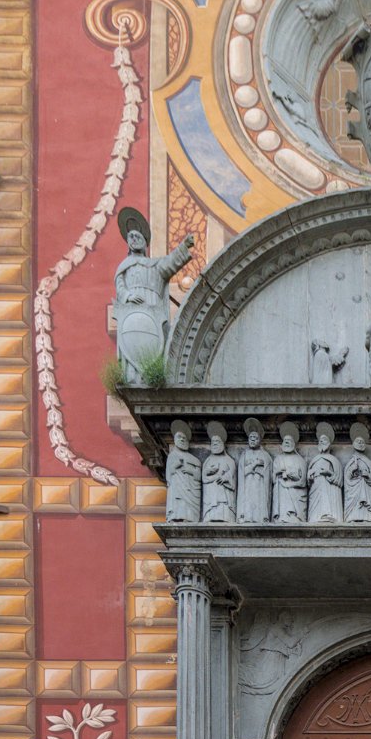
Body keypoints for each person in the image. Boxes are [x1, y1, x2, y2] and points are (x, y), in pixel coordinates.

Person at [112, 208, 193, 386]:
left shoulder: (155, 266)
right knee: (135, 344)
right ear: (128, 242)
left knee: (153, 344)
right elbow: (120, 287)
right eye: (131, 236)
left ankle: (152, 376)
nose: (134, 238)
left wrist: (184, 246)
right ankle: (133, 377)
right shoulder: (125, 266)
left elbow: (171, 262)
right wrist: (128, 295)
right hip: (133, 311)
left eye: (138, 236)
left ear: (145, 242)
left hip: (153, 311)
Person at [236, 418, 272, 524]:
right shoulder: (244, 455)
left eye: (255, 438)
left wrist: (260, 471)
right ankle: (246, 517)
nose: (252, 439)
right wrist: (254, 465)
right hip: (247, 486)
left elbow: (268, 475)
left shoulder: (265, 456)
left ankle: (260, 518)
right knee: (248, 502)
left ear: (260, 440)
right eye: (250, 437)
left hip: (260, 486)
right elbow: (241, 473)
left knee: (258, 501)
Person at [165, 420, 201, 523]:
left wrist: (190, 471)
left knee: (187, 506)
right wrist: (177, 465)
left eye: (184, 438)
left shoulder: (193, 459)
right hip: (177, 486)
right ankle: (175, 516)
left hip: (189, 488)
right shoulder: (172, 456)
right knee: (178, 500)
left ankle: (189, 517)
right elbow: (169, 474)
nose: (182, 440)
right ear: (175, 440)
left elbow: (198, 475)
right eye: (179, 437)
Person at [202, 421, 236, 523]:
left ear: (223, 444)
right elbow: (204, 477)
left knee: (223, 506)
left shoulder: (229, 460)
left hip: (224, 494)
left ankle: (226, 517)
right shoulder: (208, 460)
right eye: (213, 442)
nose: (215, 444)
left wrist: (225, 478)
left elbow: (232, 475)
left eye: (217, 441)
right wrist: (208, 471)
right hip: (211, 494)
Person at [272, 425, 307, 524]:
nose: (287, 442)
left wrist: (291, 478)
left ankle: (295, 516)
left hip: (296, 493)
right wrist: (279, 473)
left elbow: (303, 481)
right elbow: (273, 479)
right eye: (285, 440)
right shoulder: (278, 459)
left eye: (289, 441)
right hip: (282, 492)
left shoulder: (300, 460)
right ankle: (282, 516)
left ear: (294, 444)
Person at [308, 427, 343, 523]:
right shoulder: (314, 460)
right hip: (316, 487)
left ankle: (329, 515)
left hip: (329, 489)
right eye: (320, 441)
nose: (322, 442)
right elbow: (308, 480)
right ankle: (315, 516)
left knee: (327, 503)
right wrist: (310, 476)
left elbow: (339, 480)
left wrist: (328, 472)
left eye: (324, 440)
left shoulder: (334, 460)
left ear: (329, 444)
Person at [344, 424, 371, 523]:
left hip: (366, 490)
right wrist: (352, 470)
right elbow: (346, 478)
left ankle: (367, 517)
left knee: (366, 511)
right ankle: (353, 517)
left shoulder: (369, 463)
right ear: (353, 444)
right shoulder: (351, 462)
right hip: (354, 490)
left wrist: (367, 475)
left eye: (362, 442)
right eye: (358, 441)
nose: (360, 443)